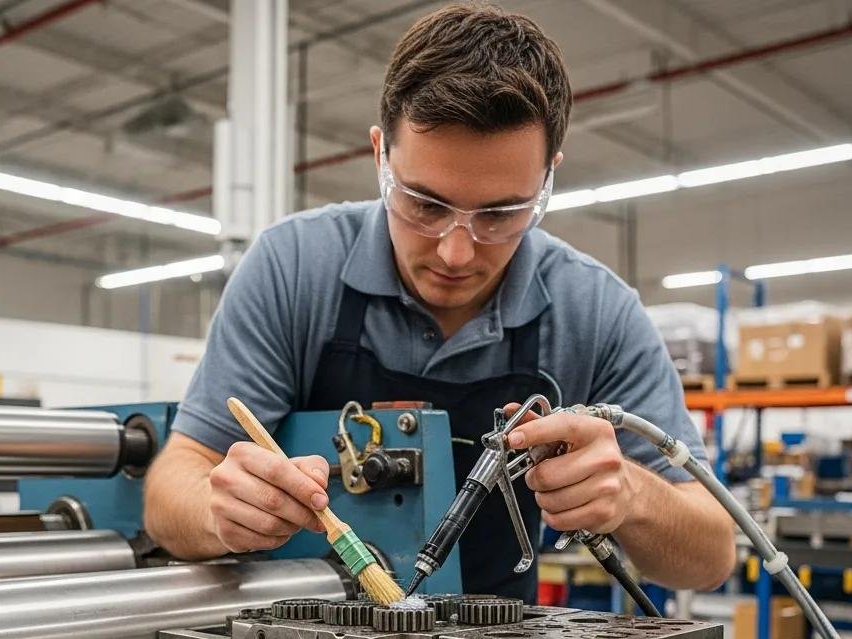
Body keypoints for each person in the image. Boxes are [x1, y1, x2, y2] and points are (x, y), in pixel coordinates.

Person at [144, 2, 736, 600]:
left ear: (548, 178)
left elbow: (712, 555)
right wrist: (218, 511)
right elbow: (174, 486)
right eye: (425, 205)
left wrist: (631, 497)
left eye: (501, 214)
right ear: (380, 155)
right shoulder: (293, 268)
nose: (456, 252)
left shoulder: (595, 312)